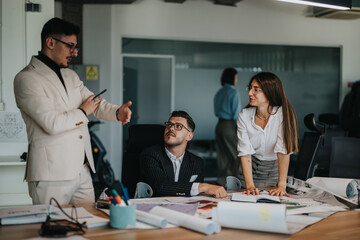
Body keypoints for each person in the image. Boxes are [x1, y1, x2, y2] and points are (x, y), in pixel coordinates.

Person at [13, 18, 132, 205]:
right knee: (53, 230)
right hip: (51, 174)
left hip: (83, 170)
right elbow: (51, 123)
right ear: (50, 42)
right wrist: (83, 112)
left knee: (87, 226)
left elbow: (94, 102)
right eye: (70, 46)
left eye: (75, 47)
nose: (74, 53)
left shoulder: (71, 75)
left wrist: (117, 112)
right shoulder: (26, 79)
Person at [236, 72, 298, 197]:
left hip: (274, 172)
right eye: (250, 88)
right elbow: (245, 153)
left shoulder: (283, 115)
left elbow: (283, 153)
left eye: (256, 90)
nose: (250, 93)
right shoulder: (244, 115)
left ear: (270, 92)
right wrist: (250, 186)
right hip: (249, 172)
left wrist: (281, 186)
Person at [140, 111, 227, 198]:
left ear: (189, 136)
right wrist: (203, 186)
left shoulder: (197, 162)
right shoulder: (150, 155)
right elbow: (161, 186)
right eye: (169, 125)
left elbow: (196, 195)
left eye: (178, 126)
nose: (171, 128)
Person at [213, 67, 241, 186]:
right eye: (236, 77)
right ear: (232, 78)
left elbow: (215, 111)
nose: (237, 80)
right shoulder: (233, 92)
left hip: (219, 125)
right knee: (236, 154)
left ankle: (222, 180)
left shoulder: (219, 92)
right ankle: (238, 180)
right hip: (229, 125)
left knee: (222, 156)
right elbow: (236, 114)